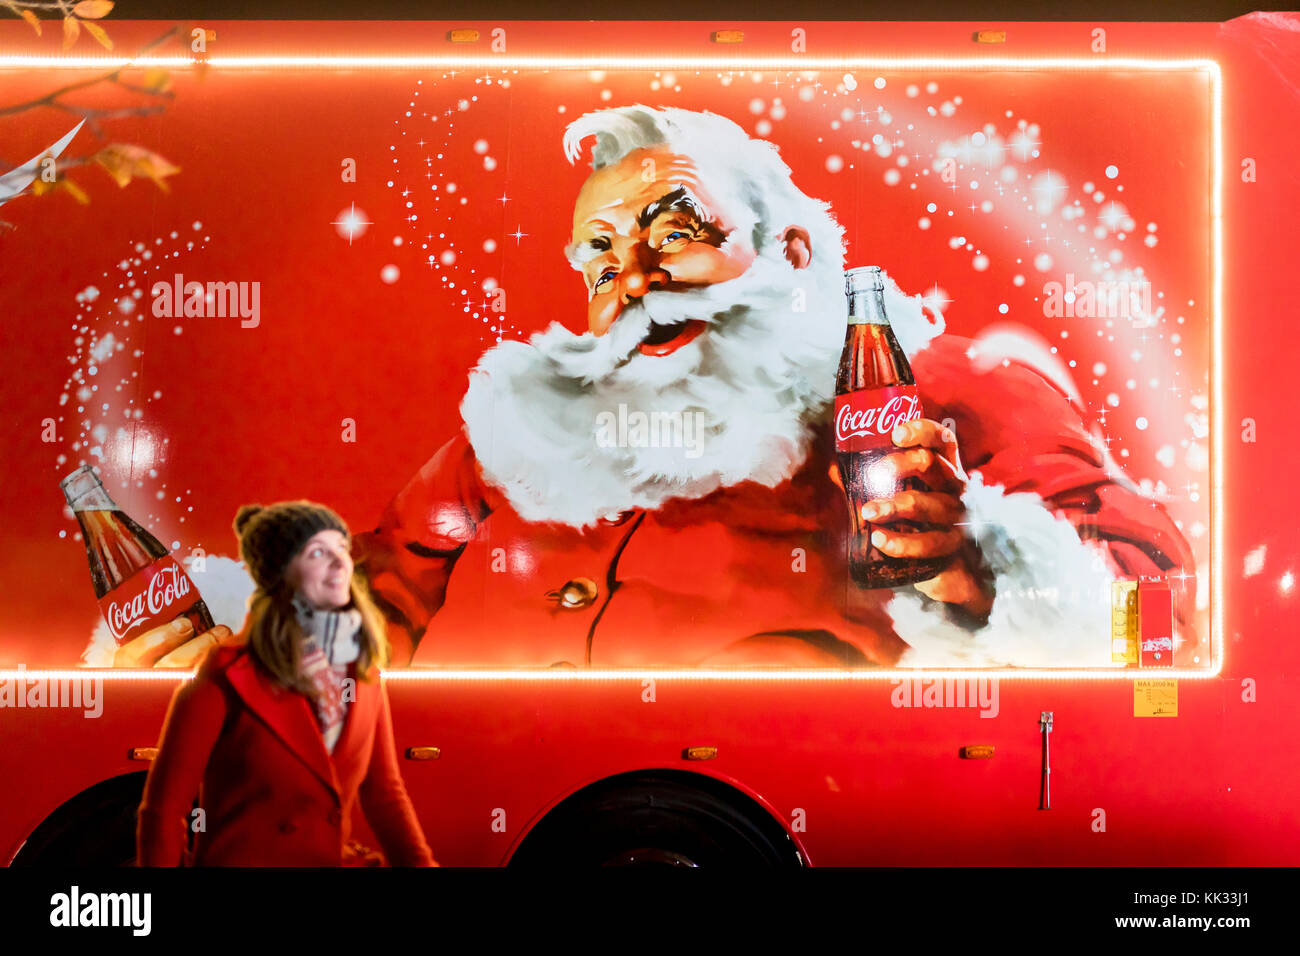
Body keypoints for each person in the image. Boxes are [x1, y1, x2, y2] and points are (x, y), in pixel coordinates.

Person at [352, 104, 1198, 670]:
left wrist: (975, 566)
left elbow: (1156, 619)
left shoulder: (935, 383)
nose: (634, 284)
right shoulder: (536, 416)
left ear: (791, 249)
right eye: (602, 259)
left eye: (674, 232)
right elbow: (381, 578)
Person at [136, 501, 437, 866]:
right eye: (318, 553)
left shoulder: (363, 670)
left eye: (340, 549)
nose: (339, 563)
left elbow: (386, 797)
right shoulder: (226, 675)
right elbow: (164, 812)